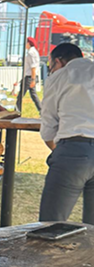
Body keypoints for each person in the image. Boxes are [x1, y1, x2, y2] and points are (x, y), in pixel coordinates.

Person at [39, 42, 94, 224]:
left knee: (50, 224)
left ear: (58, 61)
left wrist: (58, 151)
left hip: (73, 149)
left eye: (51, 66)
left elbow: (48, 126)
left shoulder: (59, 77)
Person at [16, 37, 41, 113]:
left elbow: (33, 67)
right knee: (33, 95)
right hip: (30, 76)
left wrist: (33, 79)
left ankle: (17, 111)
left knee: (20, 96)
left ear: (29, 43)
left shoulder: (31, 53)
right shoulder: (33, 52)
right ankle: (41, 110)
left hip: (30, 77)